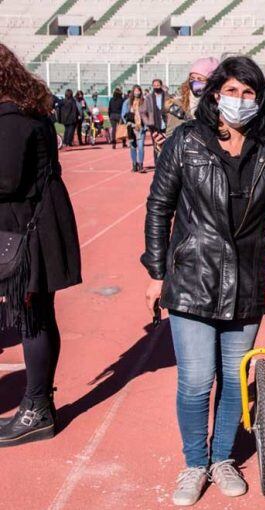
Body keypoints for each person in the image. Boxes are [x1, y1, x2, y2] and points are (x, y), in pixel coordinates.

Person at [141, 56, 265, 507]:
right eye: (231, 91)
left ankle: (222, 458)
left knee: (235, 380)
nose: (240, 101)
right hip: (192, 276)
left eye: (249, 93)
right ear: (214, 94)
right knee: (195, 380)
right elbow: (159, 207)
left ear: (261, 98)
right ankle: (195, 463)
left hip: (249, 279)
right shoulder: (186, 141)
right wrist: (156, 271)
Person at [0, 43, 81, 446]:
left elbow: (7, 181)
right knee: (36, 316)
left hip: (29, 229)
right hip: (35, 225)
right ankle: (36, 406)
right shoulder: (23, 110)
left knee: (32, 318)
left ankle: (36, 408)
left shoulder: (11, 118)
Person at [164, 57, 219, 138]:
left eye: (200, 79)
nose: (195, 82)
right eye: (192, 78)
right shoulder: (177, 106)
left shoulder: (219, 106)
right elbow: (170, 137)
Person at [140, 78, 167, 167]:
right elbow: (142, 112)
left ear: (161, 85)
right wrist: (148, 122)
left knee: (167, 146)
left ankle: (166, 165)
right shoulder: (148, 98)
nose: (156, 87)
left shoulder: (167, 96)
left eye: (158, 85)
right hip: (154, 125)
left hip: (166, 125)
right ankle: (157, 165)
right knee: (156, 146)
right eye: (154, 85)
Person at [122, 84, 146, 172]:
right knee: (133, 146)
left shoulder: (144, 102)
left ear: (140, 92)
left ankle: (140, 165)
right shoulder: (127, 102)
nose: (137, 92)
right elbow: (123, 114)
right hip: (131, 127)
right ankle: (134, 164)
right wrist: (128, 122)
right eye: (135, 91)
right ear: (133, 92)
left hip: (141, 127)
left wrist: (145, 124)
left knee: (140, 146)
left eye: (138, 91)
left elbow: (147, 113)